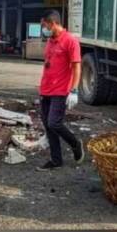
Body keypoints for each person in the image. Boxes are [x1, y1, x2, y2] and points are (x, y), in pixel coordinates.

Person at [36, 10, 85, 171]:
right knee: (48, 125)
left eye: (45, 26)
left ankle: (75, 144)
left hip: (61, 90)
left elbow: (77, 67)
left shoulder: (70, 41)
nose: (44, 29)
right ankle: (56, 160)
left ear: (53, 23)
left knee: (54, 123)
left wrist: (74, 90)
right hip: (46, 90)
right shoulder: (51, 40)